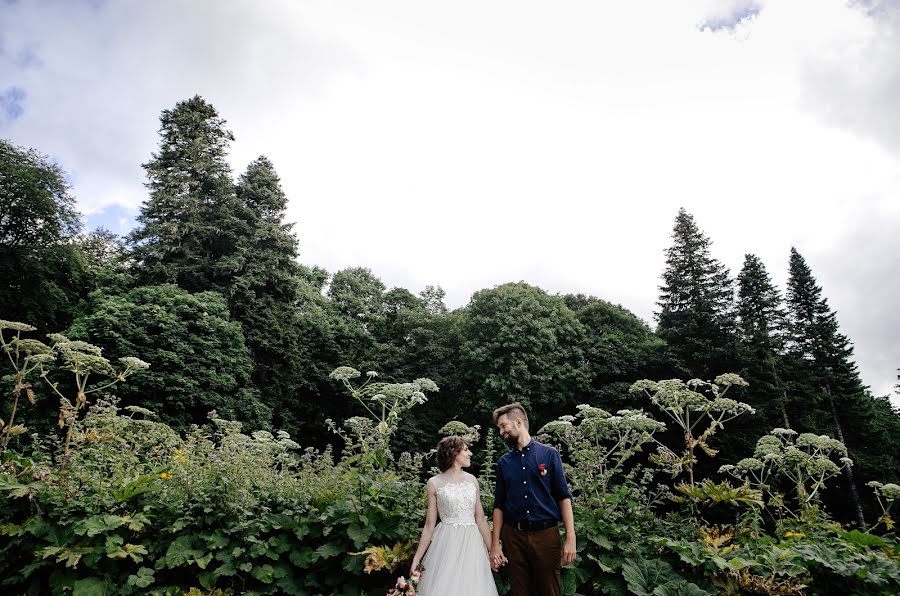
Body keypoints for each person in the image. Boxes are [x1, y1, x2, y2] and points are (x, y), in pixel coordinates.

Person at [489, 402, 576, 596]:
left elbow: (564, 497)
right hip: (514, 538)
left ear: (518, 422)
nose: (501, 432)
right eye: (499, 428)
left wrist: (571, 537)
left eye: (504, 426)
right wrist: (495, 544)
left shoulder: (549, 454)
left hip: (546, 535)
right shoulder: (504, 463)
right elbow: (499, 506)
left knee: (549, 591)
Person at [410, 435, 499, 596]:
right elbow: (430, 525)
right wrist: (417, 560)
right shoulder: (434, 483)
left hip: (472, 545)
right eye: (466, 450)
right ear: (453, 453)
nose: (470, 453)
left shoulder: (472, 481)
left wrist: (492, 549)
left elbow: (480, 519)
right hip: (446, 544)